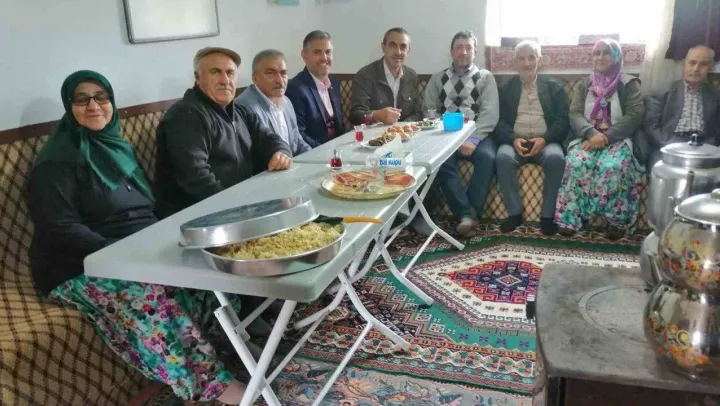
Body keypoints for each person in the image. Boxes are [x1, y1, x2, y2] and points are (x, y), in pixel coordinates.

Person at [26, 70, 248, 404]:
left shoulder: (119, 147)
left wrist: (181, 234)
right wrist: (123, 252)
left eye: (101, 97)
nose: (93, 106)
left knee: (207, 265)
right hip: (80, 264)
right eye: (81, 99)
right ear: (68, 107)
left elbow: (152, 204)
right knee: (154, 295)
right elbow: (60, 228)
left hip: (136, 248)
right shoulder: (56, 162)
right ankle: (210, 384)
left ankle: (228, 346)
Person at [155, 47, 291, 217]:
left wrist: (280, 152)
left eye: (230, 73)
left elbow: (270, 139)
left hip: (239, 204)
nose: (225, 80)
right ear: (197, 77)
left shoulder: (240, 111)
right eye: (215, 72)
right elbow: (197, 180)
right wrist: (241, 207)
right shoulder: (185, 115)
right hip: (197, 215)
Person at [555, 39, 645, 240]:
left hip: (617, 138)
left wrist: (605, 136)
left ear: (617, 57)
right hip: (587, 137)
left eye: (606, 53)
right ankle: (570, 219)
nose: (600, 57)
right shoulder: (583, 84)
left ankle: (615, 221)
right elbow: (574, 114)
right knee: (576, 162)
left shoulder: (629, 84)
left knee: (612, 166)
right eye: (596, 53)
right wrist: (590, 133)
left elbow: (634, 115)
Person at [423, 30, 499, 237]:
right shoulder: (437, 79)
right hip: (445, 134)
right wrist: (440, 130)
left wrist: (473, 139)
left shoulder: (485, 77)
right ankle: (468, 215)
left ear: (475, 52)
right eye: (459, 47)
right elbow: (429, 110)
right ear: (451, 51)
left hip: (476, 133)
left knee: (488, 157)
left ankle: (467, 216)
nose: (463, 52)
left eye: (468, 48)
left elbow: (490, 114)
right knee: (441, 162)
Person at [493, 41, 569, 235]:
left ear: (539, 60)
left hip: (545, 141)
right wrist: (512, 139)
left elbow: (562, 120)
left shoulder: (554, 87)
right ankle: (514, 213)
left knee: (556, 158)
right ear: (515, 63)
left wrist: (545, 139)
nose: (527, 63)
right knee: (503, 157)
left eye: (531, 58)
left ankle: (547, 216)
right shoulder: (505, 88)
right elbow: (499, 121)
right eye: (521, 59)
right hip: (515, 141)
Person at [644, 45, 720, 168]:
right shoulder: (662, 92)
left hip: (704, 146)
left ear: (711, 68)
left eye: (703, 64)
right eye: (692, 63)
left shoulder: (715, 95)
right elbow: (650, 124)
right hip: (669, 144)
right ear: (684, 64)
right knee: (666, 174)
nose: (696, 69)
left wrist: (711, 146)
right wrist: (669, 144)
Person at [235, 49, 311, 156]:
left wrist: (315, 157)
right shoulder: (244, 107)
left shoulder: (287, 101)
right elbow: (255, 155)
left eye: (283, 73)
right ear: (255, 79)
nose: (279, 80)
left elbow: (297, 141)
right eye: (270, 73)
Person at [349, 27, 422, 125]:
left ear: (408, 51)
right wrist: (376, 116)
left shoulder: (411, 76)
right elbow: (355, 115)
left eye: (403, 47)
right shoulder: (364, 75)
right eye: (392, 45)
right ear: (383, 48)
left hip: (405, 132)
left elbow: (417, 113)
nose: (398, 52)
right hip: (374, 133)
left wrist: (402, 127)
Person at [286, 31, 345, 148]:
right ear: (304, 55)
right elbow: (299, 135)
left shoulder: (334, 82)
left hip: (338, 151)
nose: (324, 58)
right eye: (317, 52)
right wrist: (325, 151)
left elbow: (339, 127)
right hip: (314, 154)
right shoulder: (295, 88)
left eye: (328, 52)